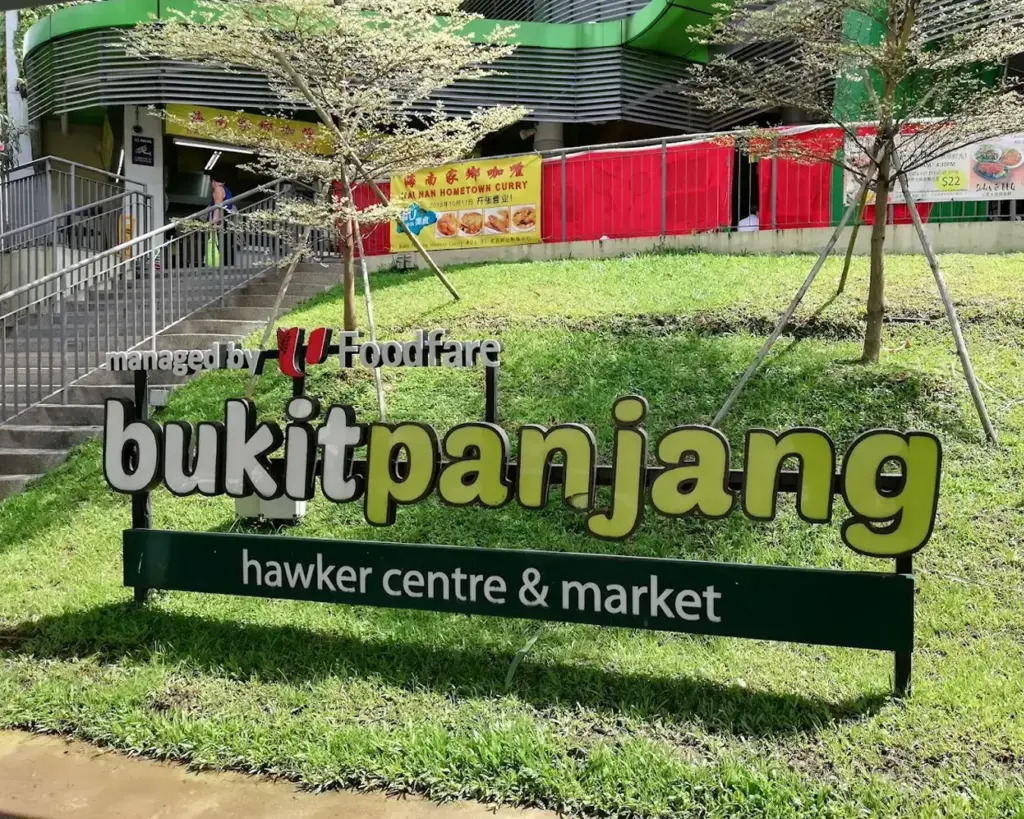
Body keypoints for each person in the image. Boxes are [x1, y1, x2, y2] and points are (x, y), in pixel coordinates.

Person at [209, 178, 237, 267]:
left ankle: (221, 266)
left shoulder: (218, 189)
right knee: (226, 245)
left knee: (221, 245)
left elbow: (217, 207)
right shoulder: (226, 189)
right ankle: (228, 266)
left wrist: (214, 223)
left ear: (213, 181)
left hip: (221, 220)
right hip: (227, 220)